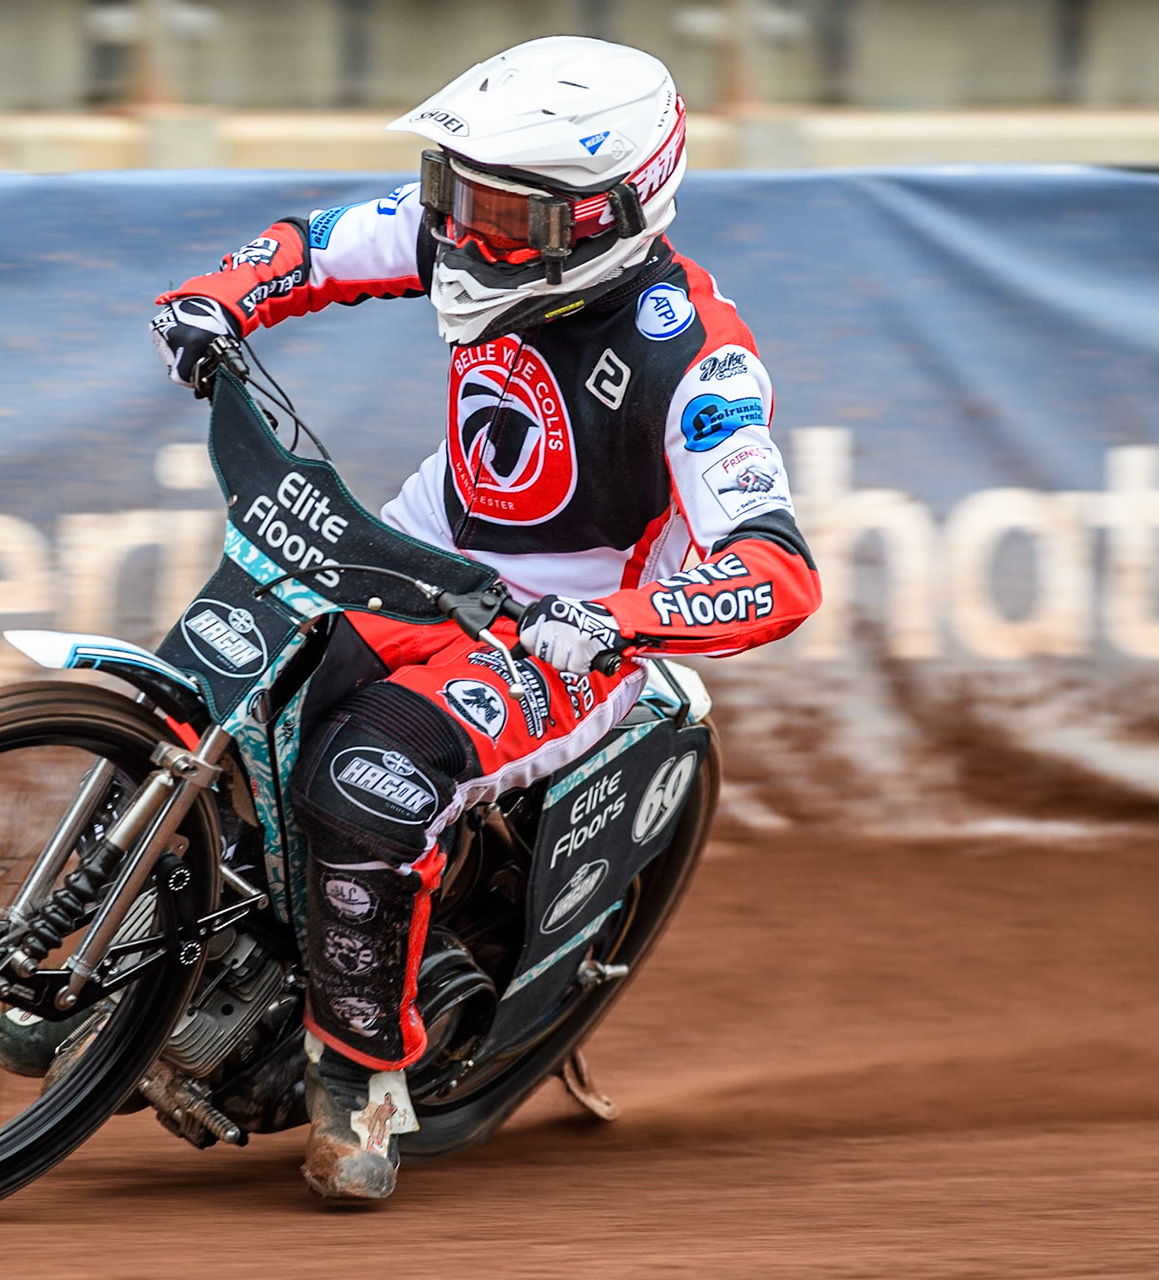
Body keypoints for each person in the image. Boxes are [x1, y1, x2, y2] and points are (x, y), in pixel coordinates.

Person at [149, 36, 822, 1199]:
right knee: (211, 687)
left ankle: (360, 1076)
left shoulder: (699, 361)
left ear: (609, 215)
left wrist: (619, 617)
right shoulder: (475, 229)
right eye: (453, 193)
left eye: (506, 212)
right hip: (419, 543)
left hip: (566, 629)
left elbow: (778, 570)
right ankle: (140, 976)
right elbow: (312, 245)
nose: (465, 231)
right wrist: (215, 301)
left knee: (367, 779)